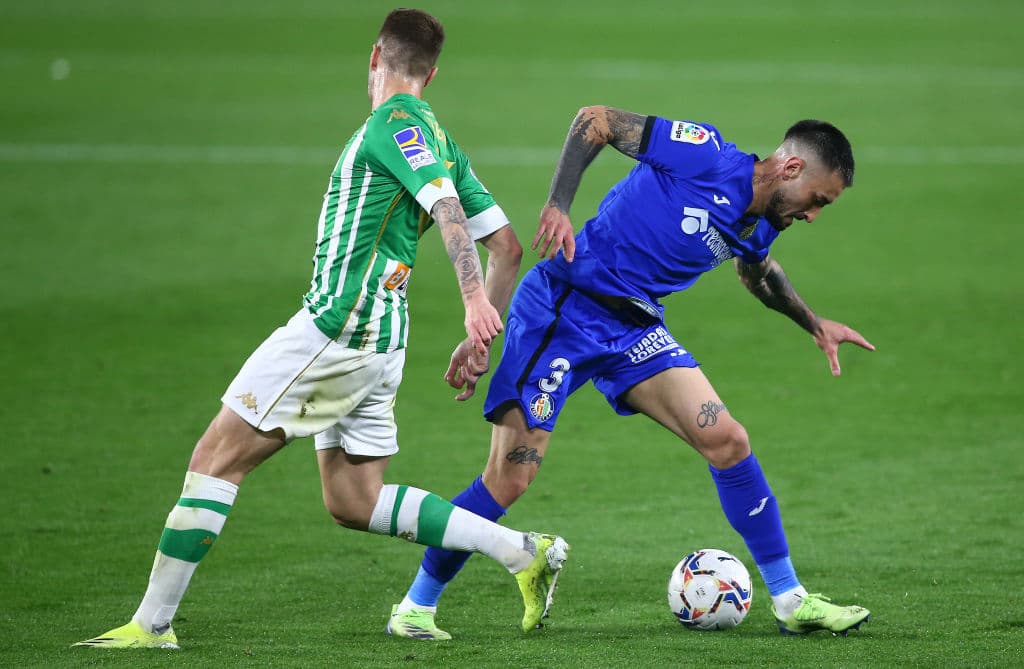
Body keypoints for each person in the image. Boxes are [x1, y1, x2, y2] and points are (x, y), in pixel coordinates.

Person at [75, 9, 569, 649]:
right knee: (354, 500)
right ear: (433, 71)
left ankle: (151, 626)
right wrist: (480, 336)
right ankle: (521, 552)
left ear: (374, 57)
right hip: (383, 340)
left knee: (214, 459)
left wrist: (474, 301)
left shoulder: (397, 123)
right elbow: (505, 244)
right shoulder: (441, 137)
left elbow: (446, 207)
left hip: (337, 330)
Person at [387, 106, 874, 640]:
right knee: (509, 479)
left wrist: (813, 323)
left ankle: (789, 600)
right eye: (817, 200)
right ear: (790, 169)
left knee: (728, 440)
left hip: (635, 329)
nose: (813, 215)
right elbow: (594, 120)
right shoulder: (704, 153)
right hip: (564, 309)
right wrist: (558, 205)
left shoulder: (758, 224)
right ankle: (416, 605)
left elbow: (757, 272)